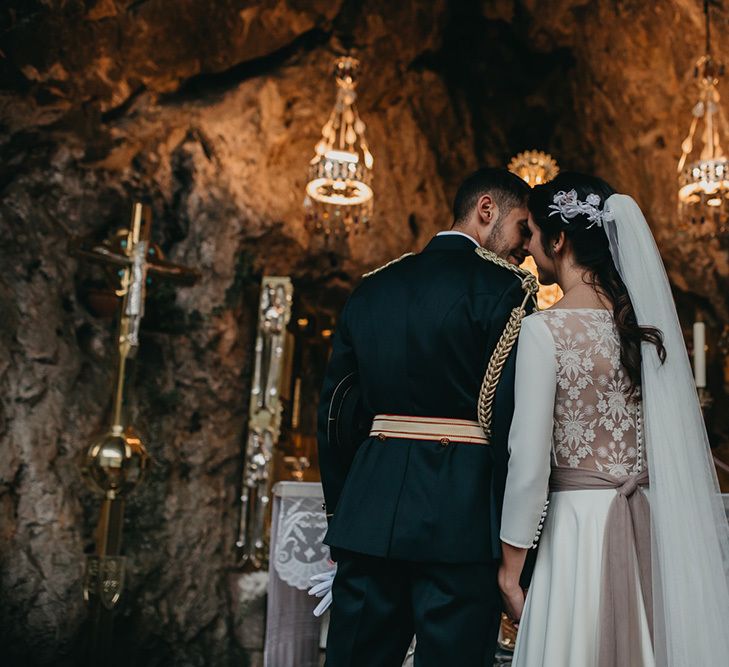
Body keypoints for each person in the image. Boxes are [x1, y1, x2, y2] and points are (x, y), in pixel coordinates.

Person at [498, 172, 729, 666]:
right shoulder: (647, 333)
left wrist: (510, 569)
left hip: (578, 533)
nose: (530, 247)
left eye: (535, 235)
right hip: (651, 522)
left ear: (558, 240)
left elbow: (529, 464)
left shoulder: (545, 331)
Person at [316, 167, 535, 667]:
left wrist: (342, 511)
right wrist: (512, 544)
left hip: (370, 515)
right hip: (460, 519)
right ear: (486, 210)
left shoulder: (372, 288)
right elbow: (511, 426)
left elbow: (337, 413)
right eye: (523, 227)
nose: (526, 247)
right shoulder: (507, 292)